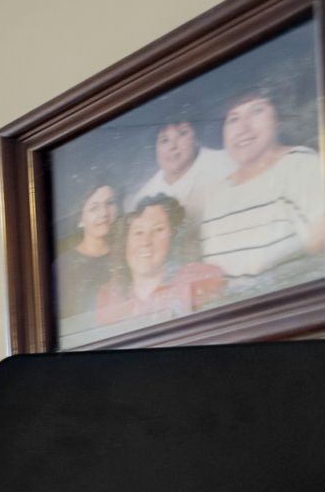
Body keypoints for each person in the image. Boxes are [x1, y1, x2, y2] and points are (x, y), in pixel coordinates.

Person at [197, 80, 325, 285]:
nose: (243, 128)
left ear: (277, 118)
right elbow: (216, 278)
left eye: (256, 111)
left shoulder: (302, 165)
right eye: (233, 119)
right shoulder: (216, 195)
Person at [95, 193, 224, 333]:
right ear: (125, 241)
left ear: (173, 238)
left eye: (158, 230)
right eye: (138, 232)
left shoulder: (198, 278)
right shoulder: (109, 297)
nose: (146, 242)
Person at [130, 117, 235, 221]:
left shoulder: (227, 163)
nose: (172, 146)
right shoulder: (144, 197)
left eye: (182, 134)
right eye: (164, 140)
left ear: (196, 138)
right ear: (155, 148)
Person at [54, 180, 123, 328]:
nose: (104, 213)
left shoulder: (127, 254)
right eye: (94, 208)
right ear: (80, 218)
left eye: (110, 203)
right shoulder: (64, 265)